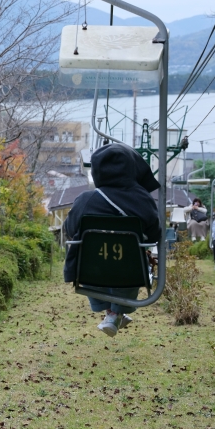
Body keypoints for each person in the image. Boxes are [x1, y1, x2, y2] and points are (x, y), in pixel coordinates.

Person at [64, 143, 162, 337]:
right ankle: (116, 311)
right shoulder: (142, 200)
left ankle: (112, 312)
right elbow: (153, 235)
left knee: (93, 256)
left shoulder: (85, 200)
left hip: (90, 274)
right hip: (131, 274)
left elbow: (70, 229)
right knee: (126, 259)